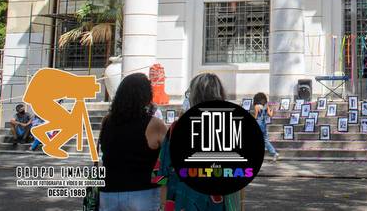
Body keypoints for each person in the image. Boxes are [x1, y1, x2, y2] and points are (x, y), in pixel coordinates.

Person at [154, 73, 241, 210]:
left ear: (194, 96)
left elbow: (162, 173)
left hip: (183, 202)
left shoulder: (176, 129)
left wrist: (163, 205)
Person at [99, 73, 167, 211]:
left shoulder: (106, 121)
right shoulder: (155, 124)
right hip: (143, 192)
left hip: (109, 192)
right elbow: (168, 159)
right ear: (146, 96)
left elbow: (103, 155)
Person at [253, 92, 279, 162]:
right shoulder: (266, 107)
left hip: (258, 124)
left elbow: (255, 117)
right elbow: (270, 115)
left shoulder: (256, 106)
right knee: (266, 141)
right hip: (264, 125)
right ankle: (274, 153)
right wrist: (272, 109)